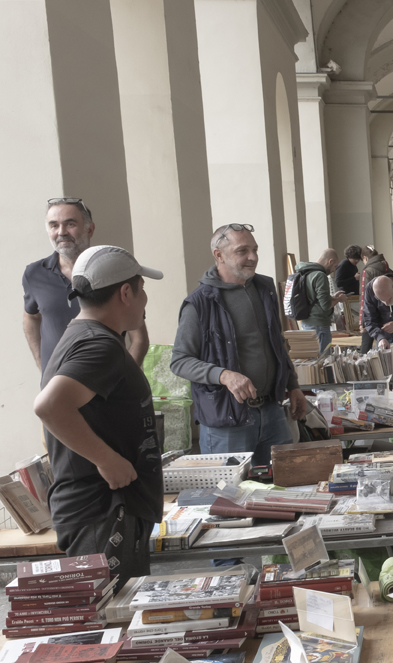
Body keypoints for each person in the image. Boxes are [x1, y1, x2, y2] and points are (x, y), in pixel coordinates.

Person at [33, 246, 164, 590]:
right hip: (103, 510)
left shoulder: (91, 335)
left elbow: (111, 393)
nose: (145, 300)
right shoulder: (98, 344)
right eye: (142, 289)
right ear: (125, 292)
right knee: (110, 623)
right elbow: (49, 406)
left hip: (108, 509)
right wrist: (106, 459)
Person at [171, 224, 307, 466]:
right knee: (230, 497)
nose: (252, 257)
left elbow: (276, 343)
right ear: (219, 255)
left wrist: (293, 385)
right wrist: (223, 375)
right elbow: (180, 361)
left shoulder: (264, 290)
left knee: (281, 490)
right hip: (227, 420)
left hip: (273, 411)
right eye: (242, 251)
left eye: (254, 249)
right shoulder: (199, 304)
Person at [24, 198, 149, 374]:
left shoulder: (115, 271)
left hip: (105, 391)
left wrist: (120, 380)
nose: (61, 232)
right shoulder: (34, 274)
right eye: (54, 225)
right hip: (57, 388)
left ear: (89, 229)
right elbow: (31, 317)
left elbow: (140, 339)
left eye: (70, 224)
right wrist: (42, 365)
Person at [293, 248, 345, 353]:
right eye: (334, 266)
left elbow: (313, 298)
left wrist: (333, 297)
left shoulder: (304, 272)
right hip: (319, 325)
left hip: (307, 322)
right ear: (330, 261)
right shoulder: (320, 275)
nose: (334, 270)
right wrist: (339, 299)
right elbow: (325, 305)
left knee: (314, 359)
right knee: (323, 359)